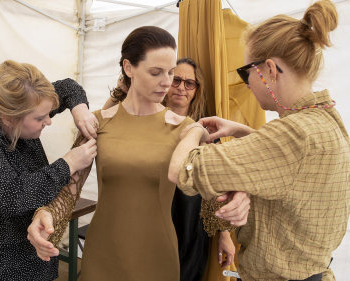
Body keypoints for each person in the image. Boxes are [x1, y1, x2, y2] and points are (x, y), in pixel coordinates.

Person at [27, 26, 249, 281]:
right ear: (129, 68)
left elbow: (212, 191)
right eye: (156, 72)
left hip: (157, 254)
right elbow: (70, 189)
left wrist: (233, 207)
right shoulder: (98, 123)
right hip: (103, 252)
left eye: (170, 72)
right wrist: (45, 215)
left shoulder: (185, 129)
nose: (166, 82)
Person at [168, 1, 350, 281]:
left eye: (246, 72)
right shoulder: (325, 119)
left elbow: (183, 169)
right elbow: (292, 166)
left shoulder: (292, 135)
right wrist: (244, 131)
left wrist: (194, 129)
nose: (246, 83)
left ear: (269, 69)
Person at [0, 60, 97, 281]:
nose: (48, 121)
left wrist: (80, 111)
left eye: (49, 113)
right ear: (9, 118)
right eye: (41, 118)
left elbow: (68, 87)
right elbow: (12, 196)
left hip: (31, 258)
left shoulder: (26, 107)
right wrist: (68, 163)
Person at [105, 57, 246, 281]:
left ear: (196, 89)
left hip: (190, 224)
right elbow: (105, 129)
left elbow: (217, 188)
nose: (181, 87)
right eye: (176, 80)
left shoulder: (207, 132)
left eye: (189, 83)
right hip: (148, 222)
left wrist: (225, 235)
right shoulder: (145, 123)